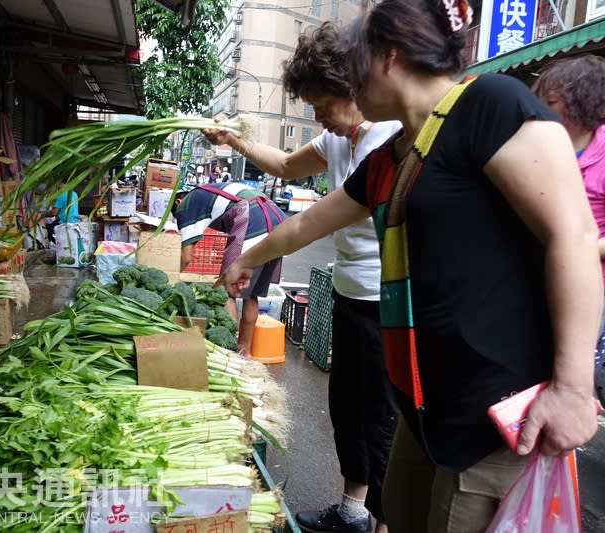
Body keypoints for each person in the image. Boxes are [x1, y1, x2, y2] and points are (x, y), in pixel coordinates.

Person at [218, 1, 602, 531]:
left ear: (387, 56)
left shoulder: (489, 104)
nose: (349, 84)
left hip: (490, 412)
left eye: (353, 63)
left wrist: (574, 390)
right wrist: (247, 259)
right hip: (424, 408)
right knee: (397, 509)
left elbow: (574, 235)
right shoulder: (394, 153)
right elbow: (308, 225)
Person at [204, 21, 400, 533]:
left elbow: (309, 222)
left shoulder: (391, 138)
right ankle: (353, 509)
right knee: (347, 407)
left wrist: (245, 258)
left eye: (321, 107)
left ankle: (381, 521)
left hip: (391, 302)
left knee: (380, 423)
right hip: (349, 292)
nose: (318, 119)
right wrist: (235, 140)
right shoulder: (338, 138)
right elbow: (288, 164)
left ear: (353, 89)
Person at [533, 55, 605, 378]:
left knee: (573, 372)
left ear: (583, 103)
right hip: (533, 274)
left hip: (585, 285)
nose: (542, 110)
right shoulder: (539, 141)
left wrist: (578, 247)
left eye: (551, 102)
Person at [173, 182, 286, 354]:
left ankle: (229, 352)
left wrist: (170, 279)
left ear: (177, 202)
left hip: (252, 219)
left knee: (227, 291)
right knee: (251, 295)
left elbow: (186, 256)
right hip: (279, 221)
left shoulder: (185, 205)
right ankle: (244, 354)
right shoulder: (206, 192)